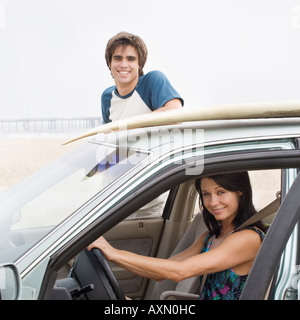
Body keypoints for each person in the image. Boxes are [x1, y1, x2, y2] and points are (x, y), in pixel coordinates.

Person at [88, 172, 267, 300]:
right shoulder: (210, 236)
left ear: (240, 191)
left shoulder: (248, 238)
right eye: (206, 194)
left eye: (221, 192)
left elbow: (180, 272)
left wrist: (112, 252)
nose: (213, 202)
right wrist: (109, 255)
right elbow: (162, 273)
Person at [101, 31, 184, 124]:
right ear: (109, 63)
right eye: (118, 58)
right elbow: (107, 134)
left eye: (131, 59)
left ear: (140, 64)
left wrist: (127, 125)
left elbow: (176, 114)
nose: (124, 65)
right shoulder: (107, 97)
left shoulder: (152, 80)